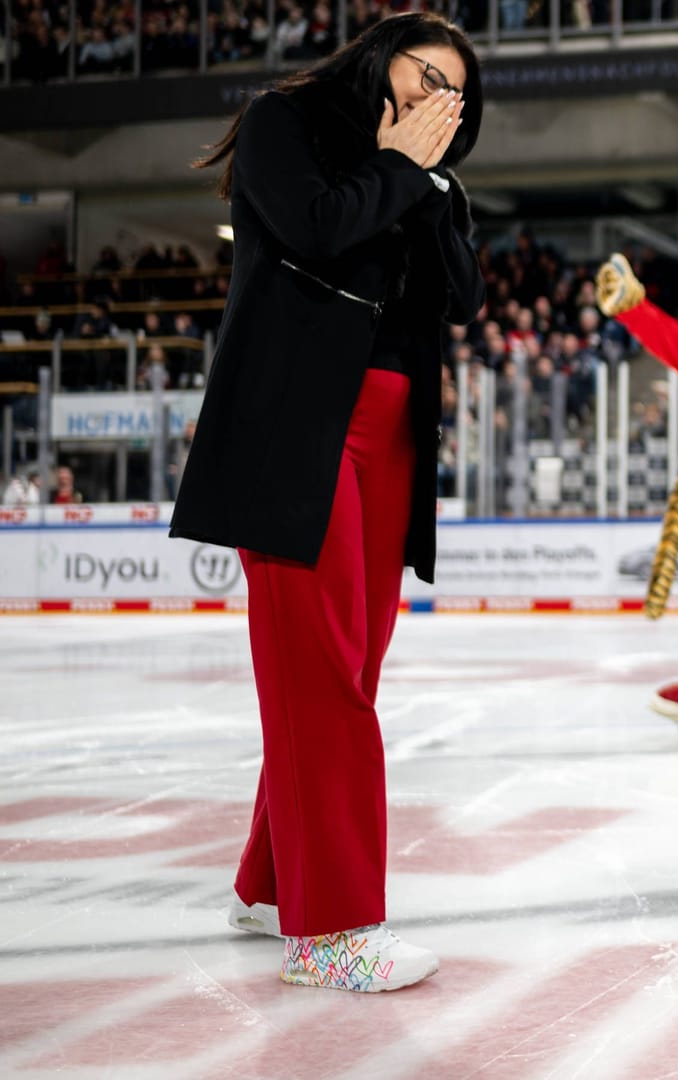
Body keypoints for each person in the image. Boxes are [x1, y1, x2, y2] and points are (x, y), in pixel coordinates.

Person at [168, 13, 484, 994]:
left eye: (458, 93)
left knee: (345, 669)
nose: (442, 99)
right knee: (322, 682)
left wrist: (430, 189)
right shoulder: (284, 122)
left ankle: (271, 887)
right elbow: (310, 229)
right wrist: (399, 170)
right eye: (427, 73)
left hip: (391, 434)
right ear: (377, 57)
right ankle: (335, 929)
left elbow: (458, 294)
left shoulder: (427, 175)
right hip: (295, 428)